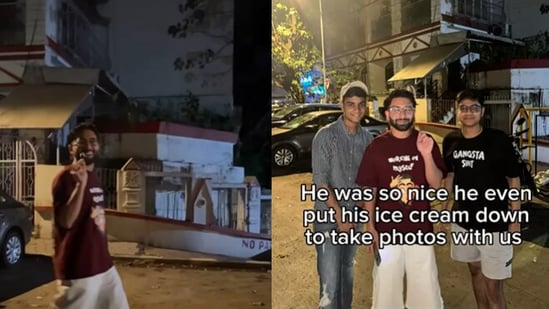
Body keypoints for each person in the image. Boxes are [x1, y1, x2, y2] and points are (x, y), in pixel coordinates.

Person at [356, 89, 446, 309]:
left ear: (414, 112)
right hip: (386, 231)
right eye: (396, 109)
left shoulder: (427, 141)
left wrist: (425, 154)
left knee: (426, 292)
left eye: (407, 109)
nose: (402, 114)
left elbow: (436, 184)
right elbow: (370, 189)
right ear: (387, 114)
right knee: (386, 292)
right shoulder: (376, 147)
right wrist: (370, 226)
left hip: (420, 230)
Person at [441, 89, 520, 309]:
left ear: (482, 111)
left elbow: (513, 179)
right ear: (457, 111)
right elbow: (450, 175)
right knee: (475, 270)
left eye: (474, 108)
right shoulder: (451, 141)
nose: (468, 113)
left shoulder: (497, 140)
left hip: (495, 224)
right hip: (463, 223)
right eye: (463, 108)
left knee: (493, 286)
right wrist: (445, 209)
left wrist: (515, 218)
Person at [51, 123, 129, 309]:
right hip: (79, 269)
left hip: (104, 266)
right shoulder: (65, 178)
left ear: (98, 146)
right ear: (71, 148)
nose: (88, 146)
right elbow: (66, 221)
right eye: (82, 142)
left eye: (93, 141)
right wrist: (80, 186)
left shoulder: (93, 177)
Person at [311, 80, 374, 309]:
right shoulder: (325, 136)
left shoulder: (368, 140)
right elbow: (320, 181)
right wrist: (339, 215)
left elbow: (369, 185)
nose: (356, 110)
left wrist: (369, 222)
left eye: (360, 105)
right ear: (341, 106)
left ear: (366, 107)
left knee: (347, 272)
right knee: (330, 284)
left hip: (355, 220)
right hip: (328, 219)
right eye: (350, 104)